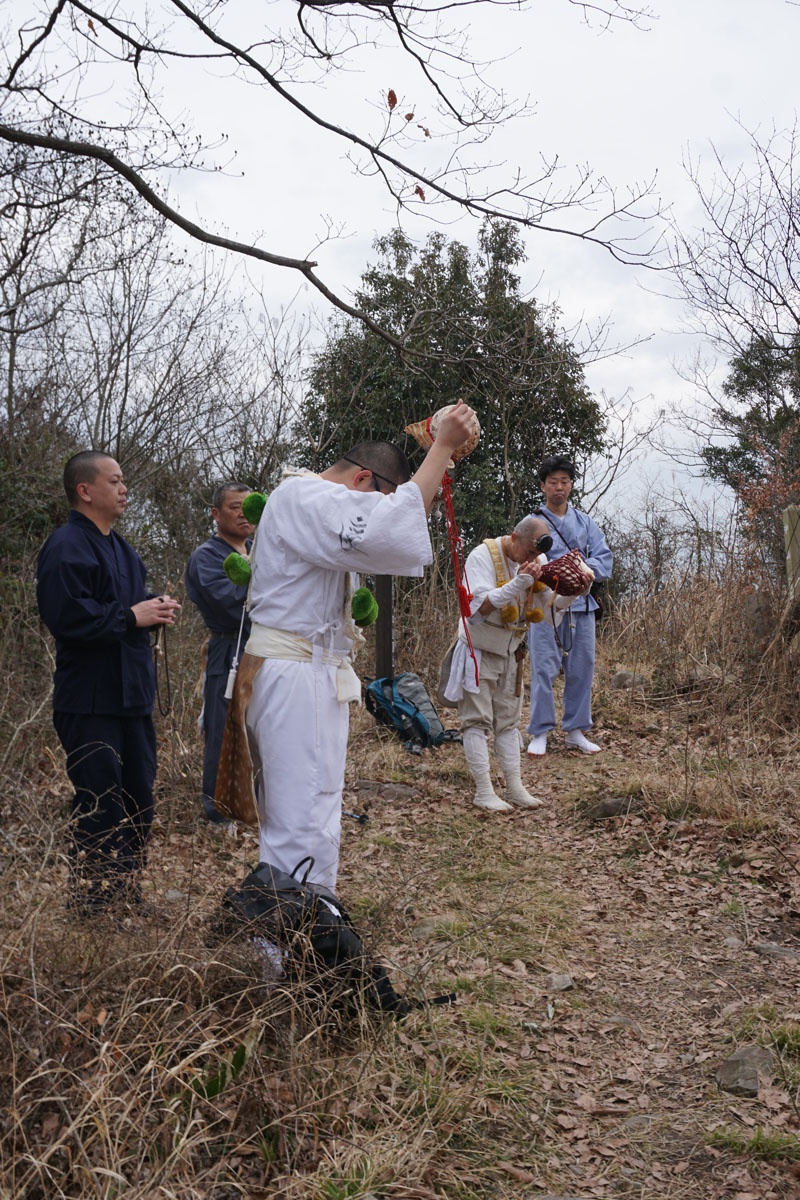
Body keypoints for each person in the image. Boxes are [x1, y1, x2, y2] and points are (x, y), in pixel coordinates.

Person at [216, 402, 478, 890]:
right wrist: (441, 445)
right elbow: (387, 528)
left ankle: (314, 925)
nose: (381, 511)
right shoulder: (301, 496)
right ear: (362, 483)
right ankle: (284, 943)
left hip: (308, 669)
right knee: (299, 813)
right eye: (380, 500)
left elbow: (387, 529)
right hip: (293, 670)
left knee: (317, 805)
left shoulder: (306, 503)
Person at [36, 450, 181, 916]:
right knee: (100, 804)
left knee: (140, 799)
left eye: (123, 482)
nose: (124, 490)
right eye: (115, 481)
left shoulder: (124, 549)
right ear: (85, 490)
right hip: (90, 700)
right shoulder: (65, 546)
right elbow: (66, 618)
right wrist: (130, 616)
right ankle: (93, 907)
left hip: (133, 698)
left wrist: (153, 611)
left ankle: (126, 897)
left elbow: (128, 615)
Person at [526, 454, 613, 757]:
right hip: (544, 607)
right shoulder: (531, 522)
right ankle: (539, 731)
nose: (559, 487)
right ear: (543, 486)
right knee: (543, 669)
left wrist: (583, 570)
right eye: (553, 482)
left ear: (572, 485)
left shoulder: (586, 522)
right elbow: (518, 557)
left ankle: (576, 730)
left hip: (582, 605)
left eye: (564, 482)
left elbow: (604, 559)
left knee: (581, 668)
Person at [185, 482, 255, 824]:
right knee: (223, 728)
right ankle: (218, 811)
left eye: (249, 506)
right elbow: (231, 604)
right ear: (216, 514)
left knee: (262, 727)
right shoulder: (207, 556)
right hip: (229, 646)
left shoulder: (259, 548)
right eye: (234, 506)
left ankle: (255, 803)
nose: (244, 513)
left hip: (265, 647)